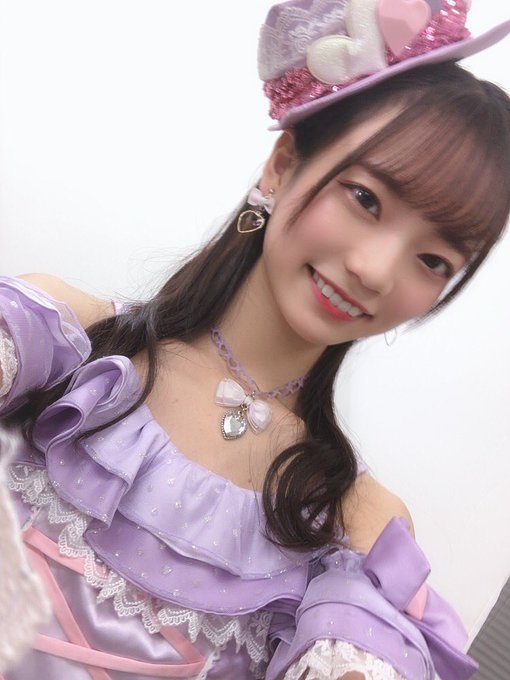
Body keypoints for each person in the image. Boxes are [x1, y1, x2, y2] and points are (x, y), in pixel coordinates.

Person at [0, 0, 509, 678]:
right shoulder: (61, 342)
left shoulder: (357, 526)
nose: (376, 270)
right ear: (282, 165)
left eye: (434, 260)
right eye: (365, 199)